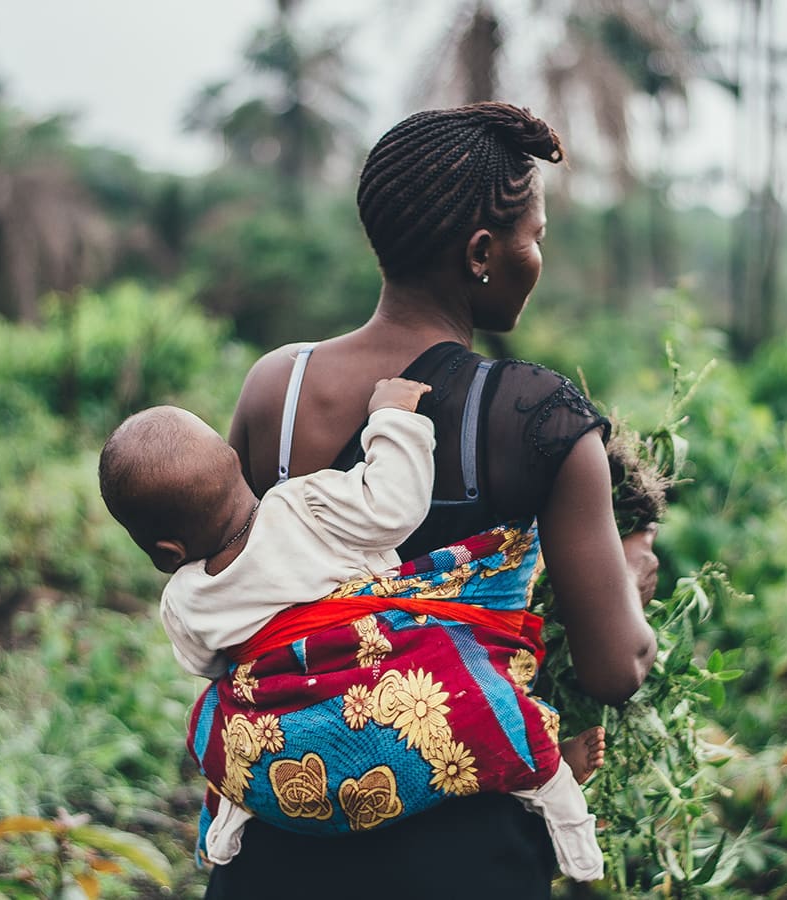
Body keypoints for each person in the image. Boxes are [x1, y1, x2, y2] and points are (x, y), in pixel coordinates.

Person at [210, 102, 659, 897]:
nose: (538, 258)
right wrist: (629, 571)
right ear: (483, 252)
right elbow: (616, 668)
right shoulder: (541, 418)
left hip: (281, 833)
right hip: (462, 855)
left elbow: (232, 599)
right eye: (537, 237)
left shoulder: (275, 389)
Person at [98, 377, 610, 881]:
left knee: (217, 723)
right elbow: (394, 506)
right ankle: (555, 794)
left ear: (166, 553)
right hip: (380, 693)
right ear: (236, 466)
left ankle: (233, 814)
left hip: (289, 744)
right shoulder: (304, 505)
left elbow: (210, 666)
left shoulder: (184, 600)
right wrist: (393, 417)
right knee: (479, 700)